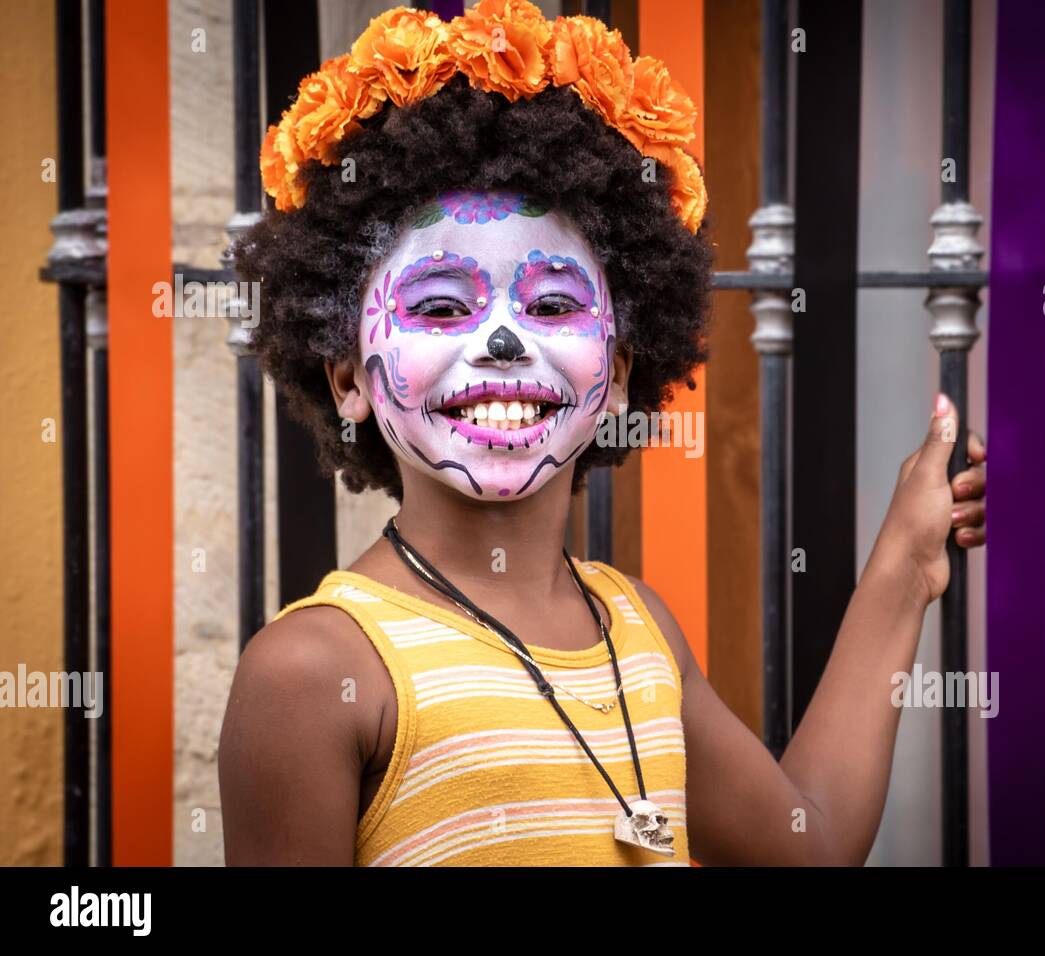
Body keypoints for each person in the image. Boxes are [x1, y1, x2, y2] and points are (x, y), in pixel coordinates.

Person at [218, 0, 987, 867]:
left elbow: (809, 841)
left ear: (618, 371)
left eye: (553, 303)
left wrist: (904, 564)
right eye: (439, 305)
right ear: (350, 378)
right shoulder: (315, 672)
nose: (504, 343)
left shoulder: (637, 627)